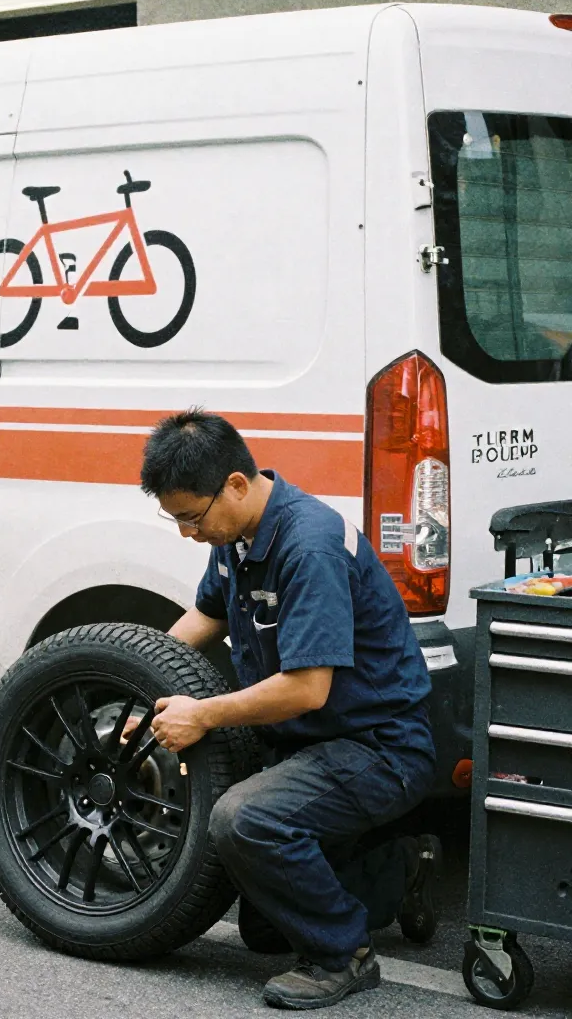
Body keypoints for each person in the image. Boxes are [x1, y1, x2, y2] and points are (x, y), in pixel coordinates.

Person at [129, 408, 442, 1011]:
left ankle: (342, 957)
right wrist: (144, 688)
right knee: (264, 931)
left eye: (192, 518)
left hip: (378, 746)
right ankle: (401, 866)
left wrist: (202, 712)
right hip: (309, 743)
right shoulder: (240, 535)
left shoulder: (309, 546)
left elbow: (306, 689)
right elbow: (205, 616)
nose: (188, 534)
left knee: (244, 821)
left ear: (237, 486)